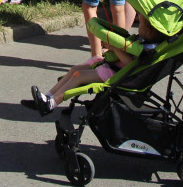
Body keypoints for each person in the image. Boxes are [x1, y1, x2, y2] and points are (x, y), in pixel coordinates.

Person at [30, 16, 165, 115]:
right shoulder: (142, 41)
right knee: (75, 69)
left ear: (150, 32)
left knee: (78, 76)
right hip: (111, 66)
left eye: (140, 24)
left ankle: (52, 103)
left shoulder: (147, 49)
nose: (138, 27)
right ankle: (47, 96)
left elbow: (131, 63)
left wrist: (115, 48)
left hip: (117, 73)